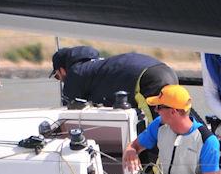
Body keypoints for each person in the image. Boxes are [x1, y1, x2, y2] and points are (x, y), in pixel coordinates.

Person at [109, 85, 220, 174]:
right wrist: (130, 150)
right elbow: (134, 145)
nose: (156, 111)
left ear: (173, 112)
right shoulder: (158, 125)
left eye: (159, 107)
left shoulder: (208, 141)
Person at [49, 46, 177, 122]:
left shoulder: (75, 74)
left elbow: (67, 116)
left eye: (56, 76)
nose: (60, 80)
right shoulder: (96, 67)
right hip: (165, 70)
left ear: (62, 69)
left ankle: (157, 167)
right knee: (179, 115)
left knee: (159, 129)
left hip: (146, 80)